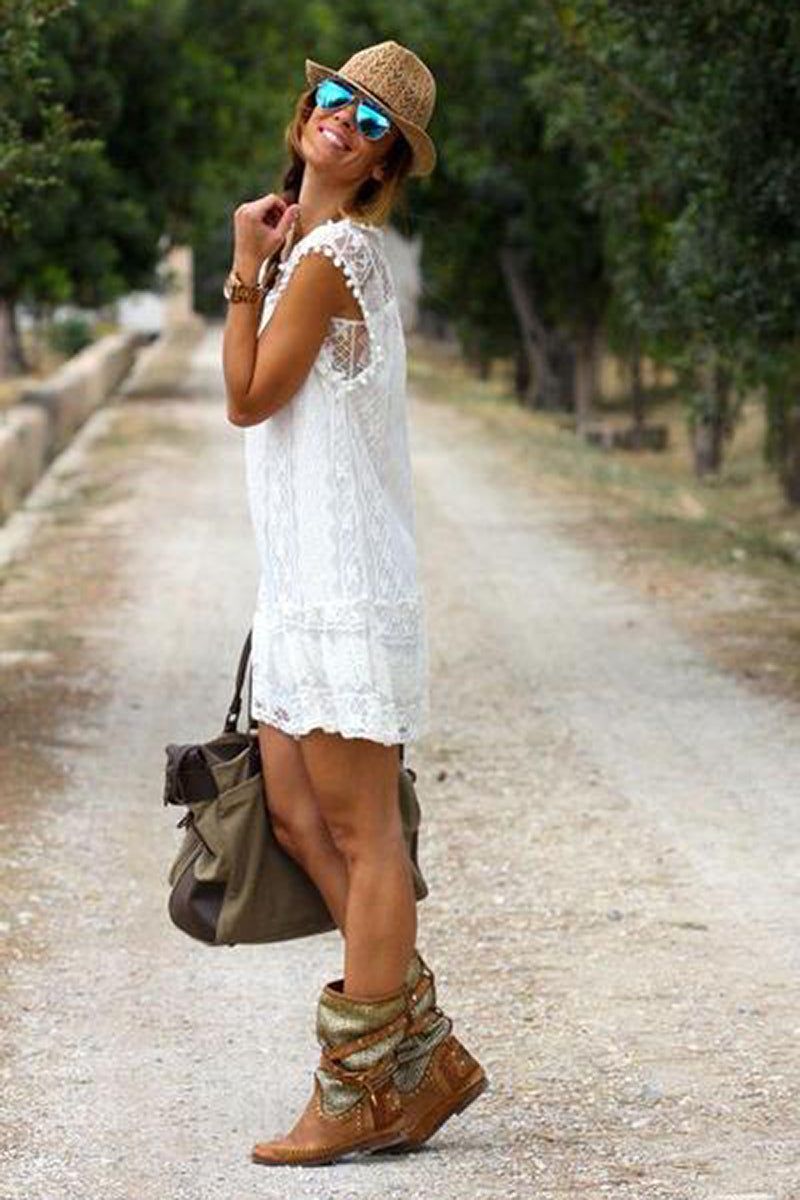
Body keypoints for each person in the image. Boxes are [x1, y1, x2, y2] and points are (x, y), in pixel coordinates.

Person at [221, 39, 488, 1168]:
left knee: (364, 836)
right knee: (293, 818)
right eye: (335, 98)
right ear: (305, 110)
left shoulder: (328, 253)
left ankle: (357, 1089)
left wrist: (241, 264)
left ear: (382, 163)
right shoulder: (311, 251)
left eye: (369, 122)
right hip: (300, 584)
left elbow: (245, 397)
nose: (344, 119)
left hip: (341, 589)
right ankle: (416, 1055)